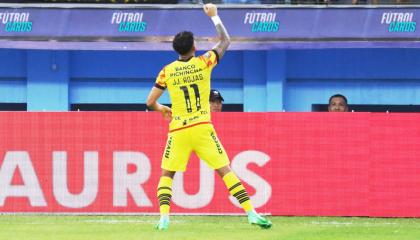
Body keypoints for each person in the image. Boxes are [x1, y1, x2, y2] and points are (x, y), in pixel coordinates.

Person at [146, 3, 272, 231]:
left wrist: (161, 108)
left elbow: (149, 102)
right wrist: (214, 16)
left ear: (176, 50)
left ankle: (164, 218)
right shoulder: (204, 63)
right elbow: (225, 41)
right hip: (203, 127)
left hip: (178, 130)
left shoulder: (167, 70)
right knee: (225, 170)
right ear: (194, 46)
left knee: (167, 174)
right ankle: (251, 213)